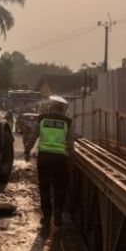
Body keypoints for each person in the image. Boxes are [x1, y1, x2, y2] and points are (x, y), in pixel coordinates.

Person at [33, 96, 73, 227]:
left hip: (44, 158)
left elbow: (35, 135)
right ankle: (58, 214)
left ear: (50, 106)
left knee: (44, 188)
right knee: (59, 188)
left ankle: (46, 217)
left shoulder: (42, 119)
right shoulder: (67, 122)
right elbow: (70, 144)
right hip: (60, 159)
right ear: (62, 108)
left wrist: (28, 149)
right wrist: (71, 160)